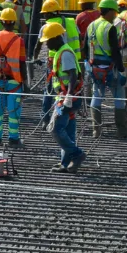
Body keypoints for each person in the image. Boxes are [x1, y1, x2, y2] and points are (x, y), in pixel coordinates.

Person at [41, 21, 85, 171]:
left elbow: (73, 75)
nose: (46, 44)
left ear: (55, 38)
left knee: (55, 128)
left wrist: (68, 96)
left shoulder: (65, 53)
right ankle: (65, 164)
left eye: (47, 41)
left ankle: (77, 154)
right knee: (68, 130)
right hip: (68, 97)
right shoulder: (62, 51)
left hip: (68, 98)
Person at [85, 0, 127, 137]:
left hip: (95, 68)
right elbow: (115, 51)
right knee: (119, 97)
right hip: (110, 69)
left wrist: (88, 65)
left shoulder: (91, 26)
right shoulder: (109, 28)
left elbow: (84, 48)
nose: (115, 16)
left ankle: (96, 129)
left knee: (97, 96)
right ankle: (122, 130)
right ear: (110, 11)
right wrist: (122, 70)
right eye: (115, 13)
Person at [0, 8, 27, 146]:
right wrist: (25, 83)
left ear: (1, 21)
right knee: (13, 110)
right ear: (14, 22)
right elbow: (21, 63)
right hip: (14, 80)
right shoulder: (18, 40)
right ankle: (13, 139)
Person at [35, 0, 78, 123]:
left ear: (48, 13)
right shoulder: (71, 22)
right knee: (72, 91)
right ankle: (67, 118)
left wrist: (35, 58)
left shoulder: (47, 27)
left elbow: (38, 46)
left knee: (50, 90)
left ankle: (46, 119)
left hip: (56, 63)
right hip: (74, 62)